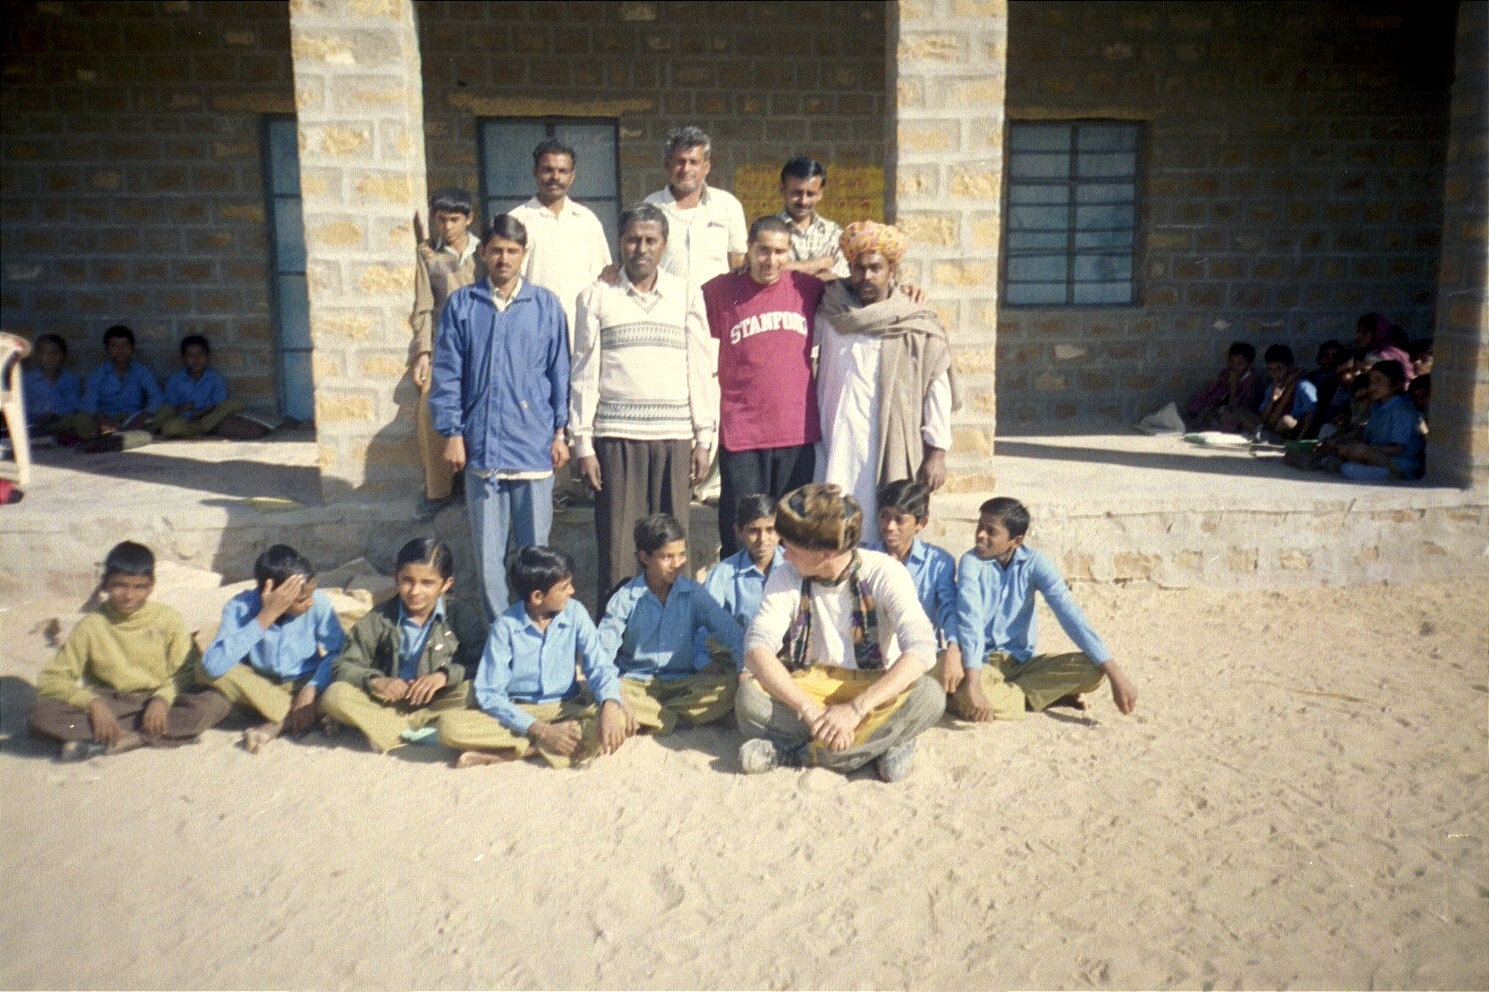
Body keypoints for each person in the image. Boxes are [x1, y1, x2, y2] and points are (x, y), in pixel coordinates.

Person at [735, 484, 945, 781]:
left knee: (929, 696)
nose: (785, 556)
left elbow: (921, 648)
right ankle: (875, 747)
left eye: (793, 549)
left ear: (826, 553)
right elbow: (756, 647)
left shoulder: (885, 571)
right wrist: (810, 711)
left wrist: (855, 710)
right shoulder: (786, 575)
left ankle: (797, 753)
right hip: (813, 686)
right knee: (749, 698)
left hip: (874, 688)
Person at [429, 214, 571, 621]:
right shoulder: (463, 305)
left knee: (536, 558)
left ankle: (537, 633)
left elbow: (559, 373)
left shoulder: (545, 306)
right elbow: (447, 374)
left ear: (524, 254)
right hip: (483, 449)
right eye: (496, 250)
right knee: (489, 558)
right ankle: (499, 636)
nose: (504, 259)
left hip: (533, 447)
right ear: (483, 253)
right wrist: (452, 433)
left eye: (512, 251)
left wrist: (560, 432)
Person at [571, 203, 715, 600]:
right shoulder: (595, 296)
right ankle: (619, 632)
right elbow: (583, 373)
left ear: (664, 244)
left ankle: (673, 629)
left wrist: (703, 439)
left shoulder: (686, 294)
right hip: (617, 438)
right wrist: (583, 444)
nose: (642, 249)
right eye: (633, 240)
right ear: (620, 242)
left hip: (673, 438)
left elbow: (700, 368)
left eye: (651, 240)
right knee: (619, 548)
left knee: (671, 549)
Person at [815, 220, 957, 543]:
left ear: (892, 269)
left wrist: (937, 452)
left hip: (889, 441)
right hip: (836, 443)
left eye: (875, 268)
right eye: (859, 268)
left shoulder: (914, 318)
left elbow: (937, 388)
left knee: (887, 526)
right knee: (835, 527)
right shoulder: (831, 311)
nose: (866, 276)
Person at [27, 541, 231, 760]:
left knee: (216, 701)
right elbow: (52, 679)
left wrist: (162, 699)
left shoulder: (167, 619)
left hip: (160, 699)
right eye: (120, 585)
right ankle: (162, 733)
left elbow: (186, 672)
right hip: (112, 704)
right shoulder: (91, 626)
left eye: (139, 587)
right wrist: (93, 704)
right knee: (40, 713)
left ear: (151, 587)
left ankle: (125, 738)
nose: (129, 596)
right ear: (105, 584)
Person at [437, 546, 634, 769]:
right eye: (564, 587)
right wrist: (542, 731)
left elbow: (599, 666)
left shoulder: (576, 613)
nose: (572, 591)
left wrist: (609, 705)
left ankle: (515, 751)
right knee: (448, 727)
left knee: (619, 717)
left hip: (566, 708)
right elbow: (489, 693)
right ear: (537, 597)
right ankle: (544, 745)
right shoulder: (505, 626)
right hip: (519, 712)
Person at [951, 497, 1138, 722]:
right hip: (983, 664)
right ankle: (1040, 696)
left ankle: (1013, 697)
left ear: (1016, 541)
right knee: (968, 690)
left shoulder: (1035, 563)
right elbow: (970, 621)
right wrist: (973, 683)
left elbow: (1069, 613)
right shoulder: (971, 562)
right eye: (980, 526)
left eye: (991, 531)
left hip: (1023, 663)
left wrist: (1115, 673)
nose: (981, 535)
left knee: (1094, 670)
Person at [702, 214, 823, 556]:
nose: (771, 260)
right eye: (763, 250)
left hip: (795, 432)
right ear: (748, 249)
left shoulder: (807, 288)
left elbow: (854, 291)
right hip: (743, 434)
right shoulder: (720, 291)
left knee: (793, 533)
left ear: (790, 251)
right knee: (741, 534)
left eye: (780, 252)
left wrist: (905, 286)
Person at [321, 539, 488, 754]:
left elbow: (483, 661)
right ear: (396, 578)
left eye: (427, 583)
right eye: (407, 581)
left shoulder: (459, 615)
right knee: (335, 695)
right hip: (389, 703)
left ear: (446, 584)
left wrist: (444, 676)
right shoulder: (380, 617)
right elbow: (343, 665)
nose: (415, 591)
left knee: (474, 690)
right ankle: (414, 730)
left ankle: (390, 730)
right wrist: (377, 681)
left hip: (438, 702)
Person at [599, 514, 745, 729]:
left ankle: (650, 717)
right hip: (636, 684)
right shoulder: (625, 598)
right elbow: (601, 653)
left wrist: (744, 673)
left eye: (682, 555)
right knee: (605, 700)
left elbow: (733, 634)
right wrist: (614, 695)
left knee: (729, 686)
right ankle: (677, 718)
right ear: (645, 557)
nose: (677, 564)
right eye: (667, 557)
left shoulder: (693, 593)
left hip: (682, 683)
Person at [201, 544, 346, 753]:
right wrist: (267, 616)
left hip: (304, 680)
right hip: (260, 683)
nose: (310, 603)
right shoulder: (240, 607)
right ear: (272, 593)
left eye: (311, 595)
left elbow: (339, 651)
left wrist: (311, 688)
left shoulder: (318, 603)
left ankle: (285, 719)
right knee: (208, 670)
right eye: (301, 599)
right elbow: (213, 665)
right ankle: (298, 715)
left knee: (340, 684)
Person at [411, 186, 485, 520]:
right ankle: (437, 490)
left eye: (454, 219)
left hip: (481, 343)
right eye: (441, 219)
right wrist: (423, 352)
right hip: (444, 345)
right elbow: (424, 306)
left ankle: (475, 486)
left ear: (468, 218)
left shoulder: (484, 251)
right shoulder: (428, 254)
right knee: (430, 410)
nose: (448, 226)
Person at [509, 137, 614, 341]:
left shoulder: (587, 221)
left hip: (580, 333)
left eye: (563, 171)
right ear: (535, 172)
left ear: (572, 177)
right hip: (532, 332)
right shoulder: (517, 220)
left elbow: (602, 281)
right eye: (548, 170)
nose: (555, 177)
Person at [864, 479, 961, 691]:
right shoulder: (865, 558)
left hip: (919, 660)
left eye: (900, 520)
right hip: (872, 662)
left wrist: (954, 648)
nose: (889, 526)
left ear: (921, 523)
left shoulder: (938, 563)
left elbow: (949, 610)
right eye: (884, 516)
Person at [643, 125, 748, 293]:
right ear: (667, 164)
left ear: (706, 167)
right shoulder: (651, 207)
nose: (686, 169)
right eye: (680, 161)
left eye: (693, 162)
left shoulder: (728, 205)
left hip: (716, 301)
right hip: (667, 301)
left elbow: (738, 262)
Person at [694, 493, 783, 669]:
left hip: (790, 660)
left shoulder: (795, 567)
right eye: (753, 531)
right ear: (738, 531)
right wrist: (704, 663)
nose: (763, 539)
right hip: (742, 660)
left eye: (770, 529)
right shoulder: (724, 574)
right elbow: (700, 624)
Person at [1330, 361, 1426, 482]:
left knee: (1351, 464)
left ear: (1396, 384)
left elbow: (1397, 449)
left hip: (1399, 464)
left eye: (1378, 381)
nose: (1372, 387)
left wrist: (1365, 450)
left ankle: (1394, 476)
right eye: (1371, 382)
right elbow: (1367, 438)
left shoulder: (1402, 409)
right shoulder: (1376, 408)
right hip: (1377, 457)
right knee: (1345, 451)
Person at [75, 324, 165, 443]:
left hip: (134, 419)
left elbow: (157, 396)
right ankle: (110, 438)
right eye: (114, 346)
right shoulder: (99, 373)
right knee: (81, 419)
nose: (120, 350)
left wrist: (142, 417)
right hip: (106, 420)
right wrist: (103, 420)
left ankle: (123, 437)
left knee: (165, 411)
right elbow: (88, 402)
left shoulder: (141, 371)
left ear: (132, 348)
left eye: (124, 345)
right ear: (107, 349)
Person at [157, 335, 251, 439]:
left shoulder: (215, 378)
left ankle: (197, 430)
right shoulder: (175, 379)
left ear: (207, 356)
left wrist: (200, 411)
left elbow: (219, 405)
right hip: (185, 420)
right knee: (169, 426)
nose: (196, 359)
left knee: (236, 404)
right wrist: (184, 410)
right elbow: (170, 407)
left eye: (200, 354)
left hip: (208, 418)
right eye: (190, 355)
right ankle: (198, 430)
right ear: (183, 358)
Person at [774, 156, 849, 280]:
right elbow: (770, 270)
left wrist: (791, 268)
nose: (803, 201)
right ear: (782, 190)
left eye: (810, 194)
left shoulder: (833, 232)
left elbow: (841, 276)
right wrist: (819, 264)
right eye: (796, 193)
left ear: (820, 194)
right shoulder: (767, 231)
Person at [1239, 344, 1316, 441]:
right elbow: (1262, 418)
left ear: (1290, 368)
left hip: (1293, 429)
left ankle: (1268, 437)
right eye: (1270, 369)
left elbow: (1310, 414)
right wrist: (1273, 399)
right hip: (1271, 425)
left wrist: (1300, 438)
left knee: (1285, 420)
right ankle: (1266, 436)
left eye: (1279, 369)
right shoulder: (1272, 386)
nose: (1274, 374)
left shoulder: (1303, 384)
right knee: (1239, 412)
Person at [1185, 341, 1263, 432]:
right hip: (1221, 411)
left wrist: (1233, 387)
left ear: (1250, 365)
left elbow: (1238, 407)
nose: (1234, 366)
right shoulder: (1226, 373)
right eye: (1232, 361)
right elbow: (1213, 393)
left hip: (1241, 418)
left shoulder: (1253, 382)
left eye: (1240, 363)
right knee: (1198, 405)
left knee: (1230, 415)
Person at [20, 333, 82, 435]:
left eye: (55, 352)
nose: (49, 357)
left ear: (64, 355)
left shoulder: (71, 380)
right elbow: (22, 409)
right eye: (44, 353)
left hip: (62, 425)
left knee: (79, 420)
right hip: (33, 427)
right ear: (37, 356)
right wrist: (38, 418)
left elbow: (74, 406)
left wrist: (54, 414)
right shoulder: (27, 381)